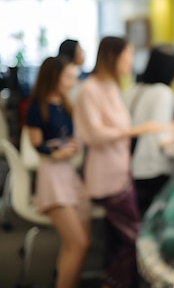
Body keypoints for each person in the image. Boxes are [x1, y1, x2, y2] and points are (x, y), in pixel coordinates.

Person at [73, 36, 164, 288]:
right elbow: (95, 135)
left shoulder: (111, 86)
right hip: (106, 178)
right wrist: (137, 130)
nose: (131, 62)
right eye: (128, 56)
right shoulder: (91, 89)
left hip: (119, 173)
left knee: (118, 239)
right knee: (130, 237)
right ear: (114, 57)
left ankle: (111, 280)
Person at [24, 55, 91, 288]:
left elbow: (67, 137)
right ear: (55, 77)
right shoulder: (36, 107)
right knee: (78, 243)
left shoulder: (65, 103)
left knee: (78, 243)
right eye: (69, 76)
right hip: (52, 175)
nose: (73, 81)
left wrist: (72, 146)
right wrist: (56, 153)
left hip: (67, 173)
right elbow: (36, 144)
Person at [123, 43, 174, 216]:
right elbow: (160, 136)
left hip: (129, 162)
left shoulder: (133, 88)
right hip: (150, 166)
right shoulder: (163, 92)